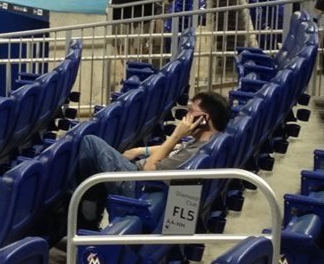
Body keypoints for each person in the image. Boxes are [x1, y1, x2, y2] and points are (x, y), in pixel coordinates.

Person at [70, 90, 230, 220]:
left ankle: (87, 212)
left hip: (138, 184)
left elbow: (148, 171)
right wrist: (140, 150)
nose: (185, 117)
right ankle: (88, 208)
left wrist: (176, 135)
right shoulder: (211, 142)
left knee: (90, 142)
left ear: (204, 119)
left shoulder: (195, 152)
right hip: (144, 178)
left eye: (191, 112)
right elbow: (175, 148)